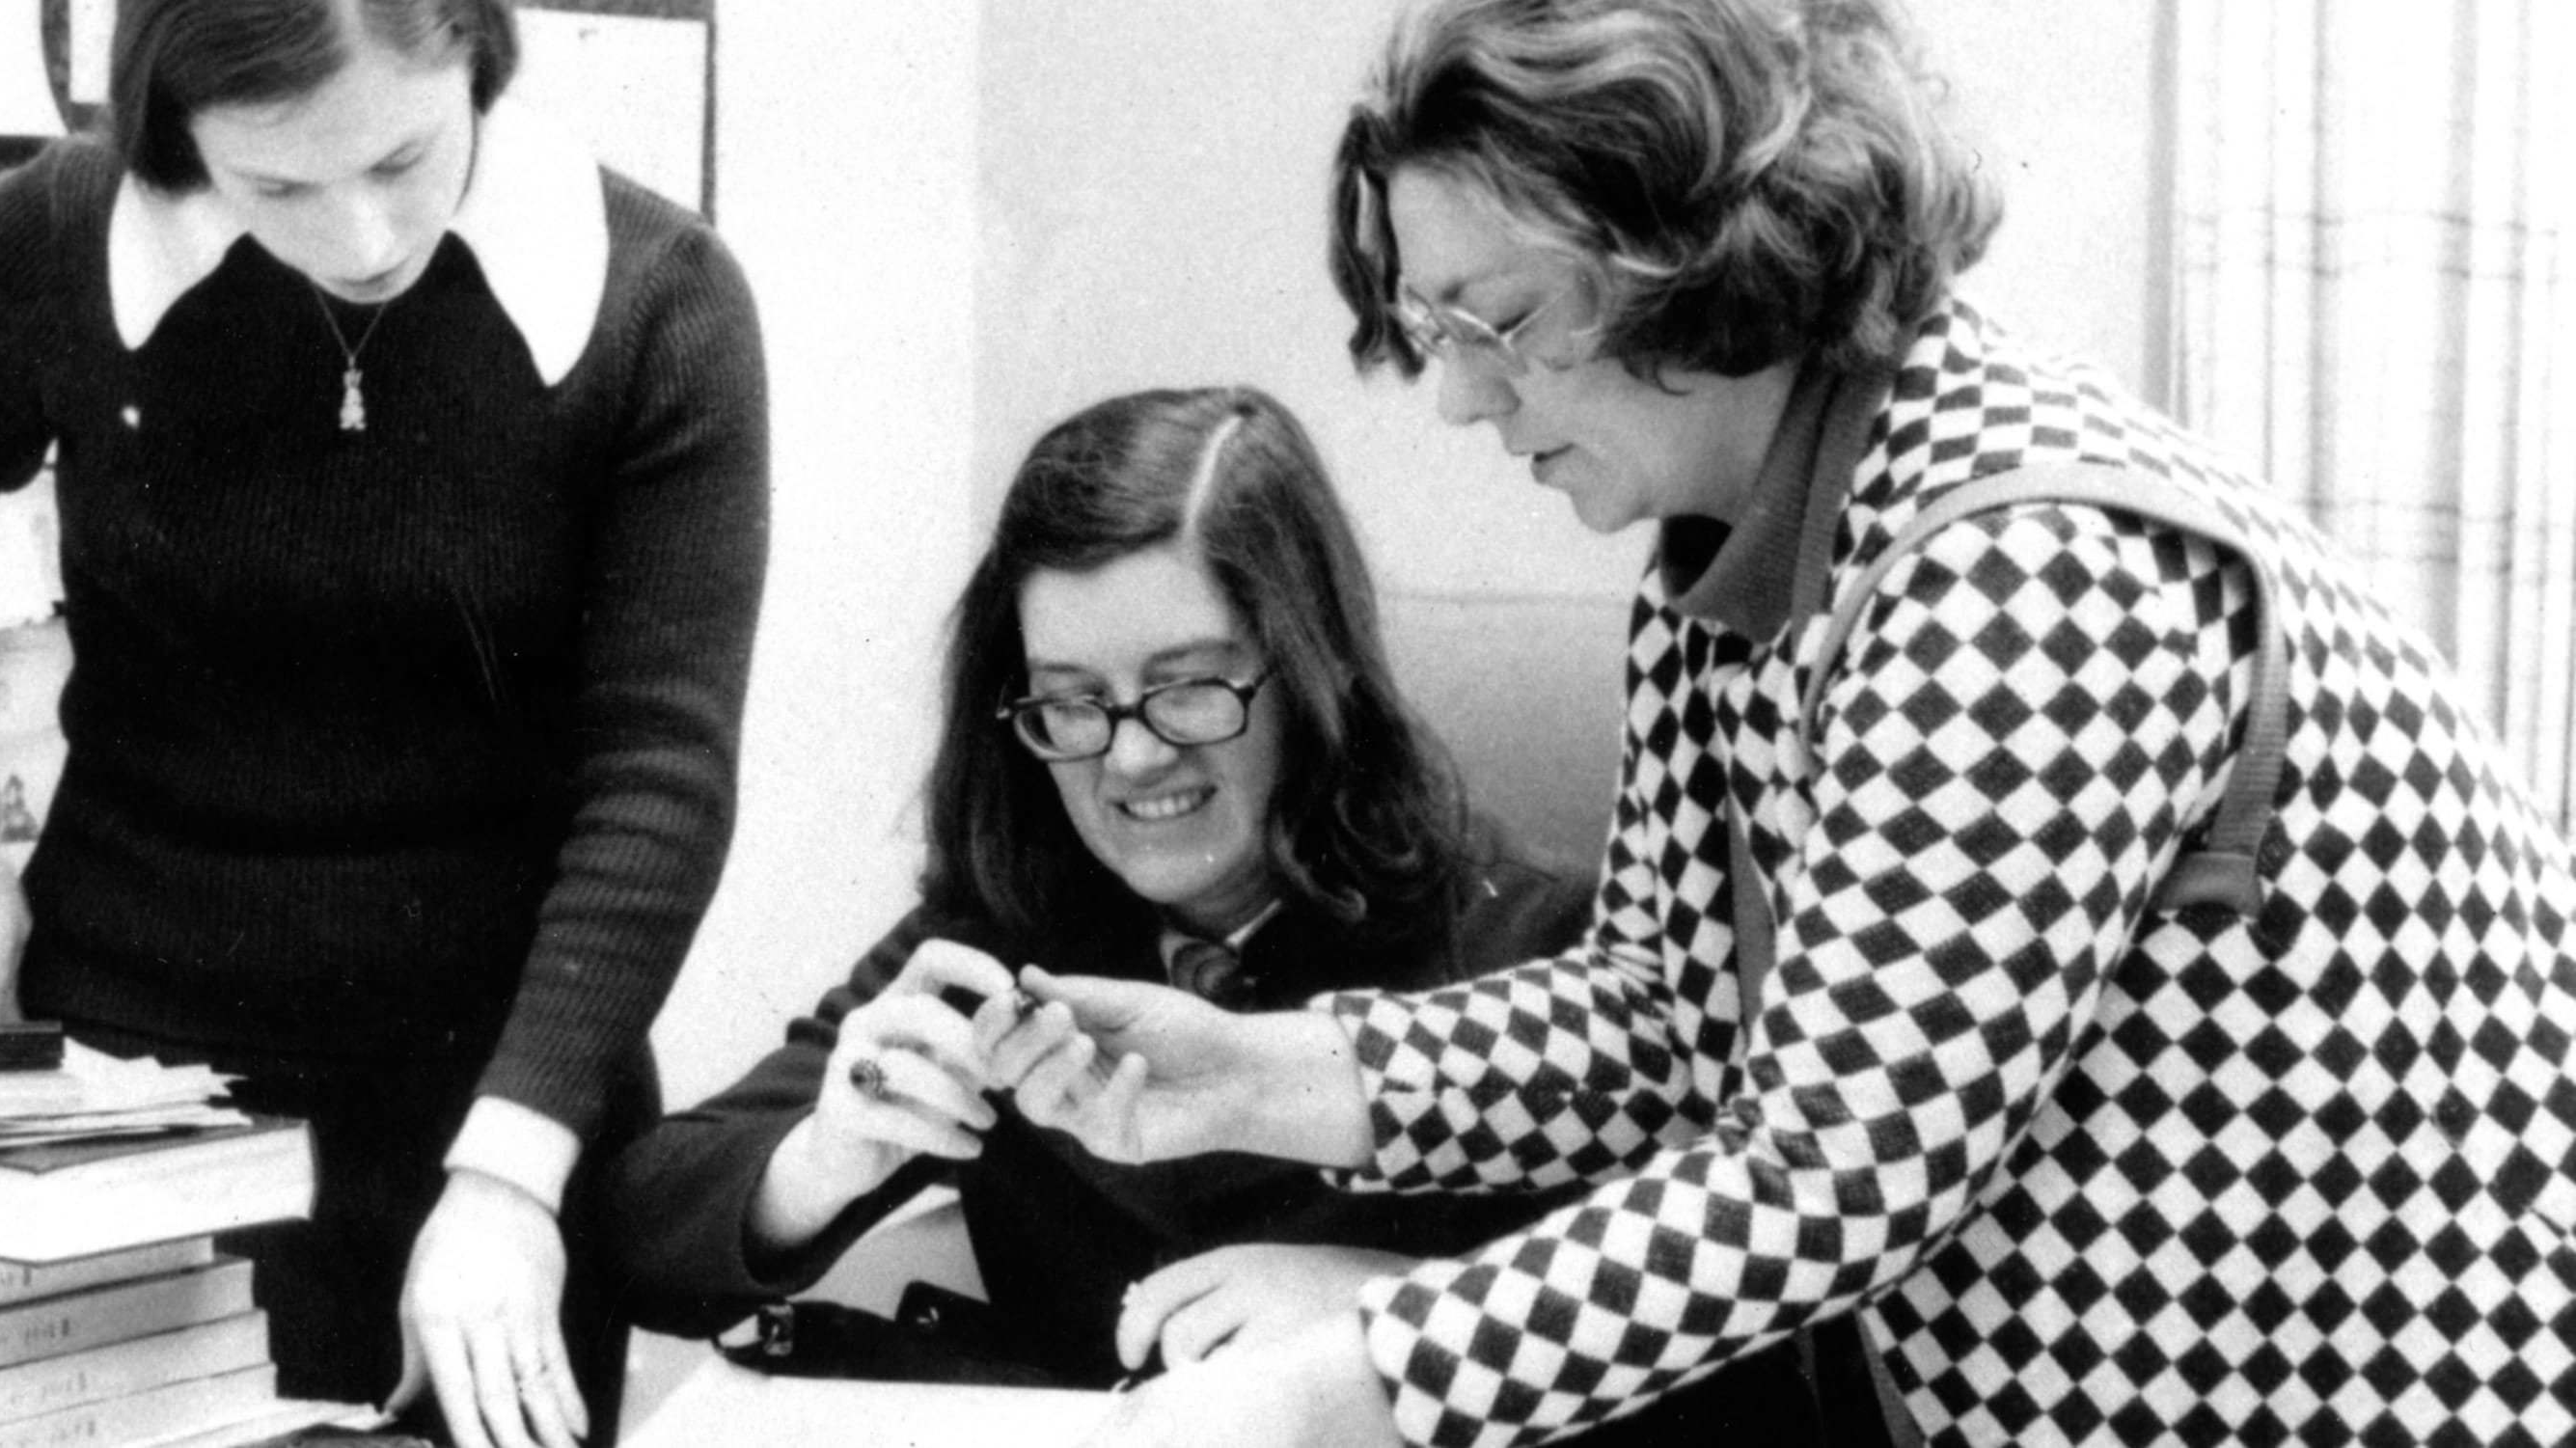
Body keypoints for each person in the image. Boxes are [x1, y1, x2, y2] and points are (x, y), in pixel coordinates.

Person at [986, 2, 2576, 1446]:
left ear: (1699, 256)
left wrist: (1340, 1385)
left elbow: (1831, 1175)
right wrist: (1256, 1075)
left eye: (1502, 321)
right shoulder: (1725, 554)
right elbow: (1672, 1031)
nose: (1462, 399)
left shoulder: (2013, 565)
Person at [0, 2, 769, 1445]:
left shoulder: (659, 302)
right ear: (173, 133)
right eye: (277, 185)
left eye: (403, 154)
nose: (367, 236)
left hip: (497, 1105)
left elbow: (662, 774)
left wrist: (512, 1176)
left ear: (476, 56)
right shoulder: (56, 238)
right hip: (127, 1095)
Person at [605, 386, 1821, 1444]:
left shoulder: (1546, 947)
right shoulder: (999, 938)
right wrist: (819, 1163)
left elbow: (1747, 1380)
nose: (1129, 760)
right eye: (1071, 703)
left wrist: (1394, 1309)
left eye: (1186, 690)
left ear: (1313, 671)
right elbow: (640, 1227)